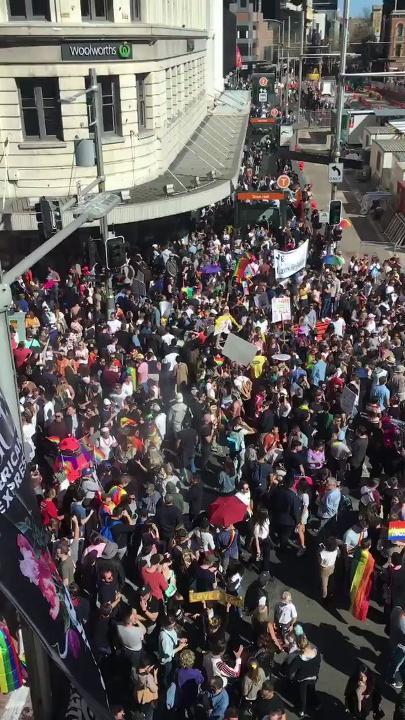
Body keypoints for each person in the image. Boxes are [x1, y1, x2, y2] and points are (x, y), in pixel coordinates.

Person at [288, 635, 321, 718]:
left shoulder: (299, 659)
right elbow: (318, 664)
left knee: (303, 696)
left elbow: (291, 671)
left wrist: (292, 677)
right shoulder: (316, 653)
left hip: (303, 679)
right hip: (314, 676)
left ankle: (302, 710)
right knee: (312, 691)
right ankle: (317, 704)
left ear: (299, 646)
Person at [318, 536, 339, 602]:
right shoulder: (336, 549)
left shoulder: (322, 553)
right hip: (332, 566)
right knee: (331, 579)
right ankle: (331, 591)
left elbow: (320, 562)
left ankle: (324, 596)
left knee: (324, 584)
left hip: (324, 569)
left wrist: (319, 551)